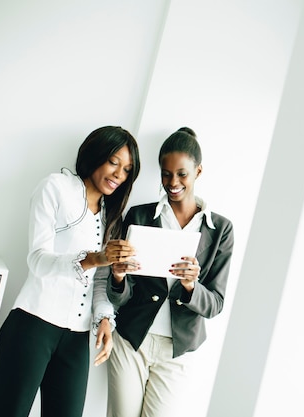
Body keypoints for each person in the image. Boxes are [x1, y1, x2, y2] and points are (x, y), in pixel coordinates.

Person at [0, 126, 141, 417]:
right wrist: (93, 258)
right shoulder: (55, 187)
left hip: (76, 338)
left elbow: (100, 281)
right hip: (33, 324)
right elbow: (38, 260)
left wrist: (105, 318)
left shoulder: (111, 215)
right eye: (114, 162)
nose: (119, 174)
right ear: (95, 153)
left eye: (127, 169)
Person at [104, 127, 234, 417]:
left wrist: (191, 286)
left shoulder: (221, 230)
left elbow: (215, 304)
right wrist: (118, 277)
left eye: (182, 174)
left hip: (178, 350)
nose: (172, 182)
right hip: (131, 340)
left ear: (198, 172)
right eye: (166, 174)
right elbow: (120, 297)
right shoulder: (139, 216)